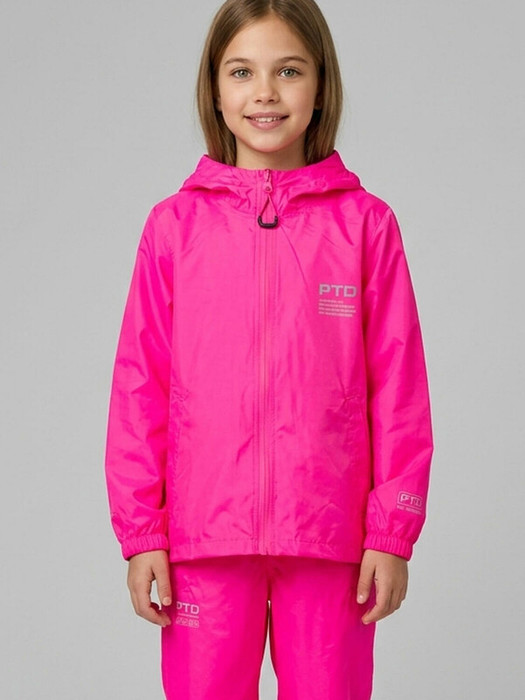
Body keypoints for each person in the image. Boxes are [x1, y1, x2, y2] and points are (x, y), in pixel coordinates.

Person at [104, 1, 434, 698]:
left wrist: (391, 533)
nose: (264, 93)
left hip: (331, 538)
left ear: (320, 85)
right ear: (214, 89)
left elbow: (397, 389)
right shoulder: (173, 228)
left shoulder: (365, 226)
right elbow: (140, 386)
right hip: (203, 541)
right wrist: (142, 534)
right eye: (241, 72)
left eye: (288, 71)